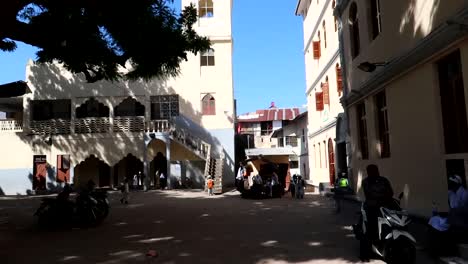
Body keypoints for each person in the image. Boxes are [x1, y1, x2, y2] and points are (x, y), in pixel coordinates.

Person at [359, 164, 394, 261]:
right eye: (371, 171)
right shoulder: (366, 182)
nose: (374, 172)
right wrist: (382, 195)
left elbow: (390, 192)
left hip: (385, 206)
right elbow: (370, 194)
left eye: (375, 170)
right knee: (368, 229)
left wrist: (384, 197)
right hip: (371, 208)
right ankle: (364, 254)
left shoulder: (384, 180)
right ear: (368, 172)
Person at [428, 175, 468, 257]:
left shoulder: (464, 193)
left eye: (451, 183)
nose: (449, 184)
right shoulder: (450, 193)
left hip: (460, 219)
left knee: (441, 226)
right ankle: (434, 249)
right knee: (434, 220)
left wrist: (452, 212)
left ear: (456, 184)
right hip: (452, 217)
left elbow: (463, 210)